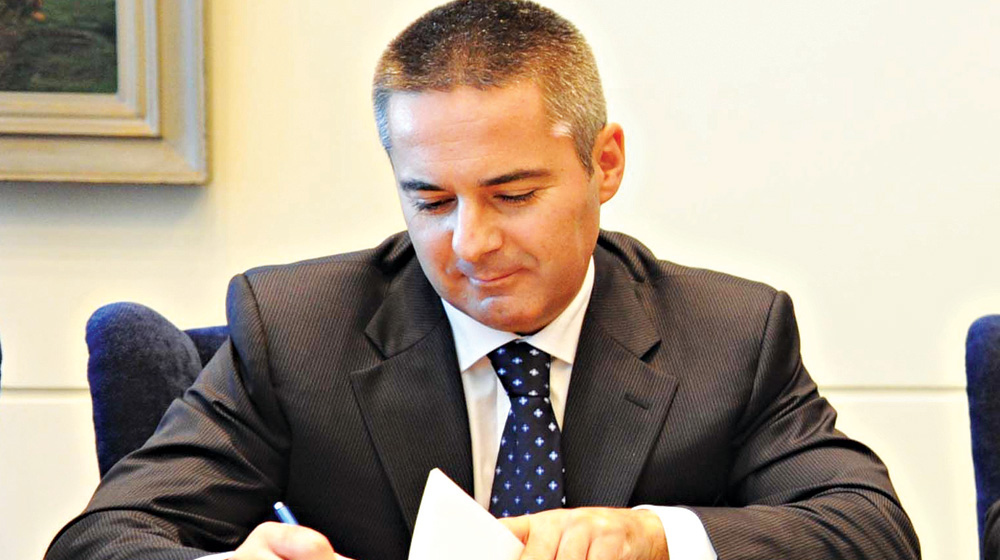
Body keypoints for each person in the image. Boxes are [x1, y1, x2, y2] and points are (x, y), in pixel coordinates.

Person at [45, 1, 920, 559]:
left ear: (604, 163)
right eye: (429, 200)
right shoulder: (296, 329)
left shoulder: (728, 332)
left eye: (514, 194)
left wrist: (655, 536)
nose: (471, 243)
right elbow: (103, 537)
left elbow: (872, 530)